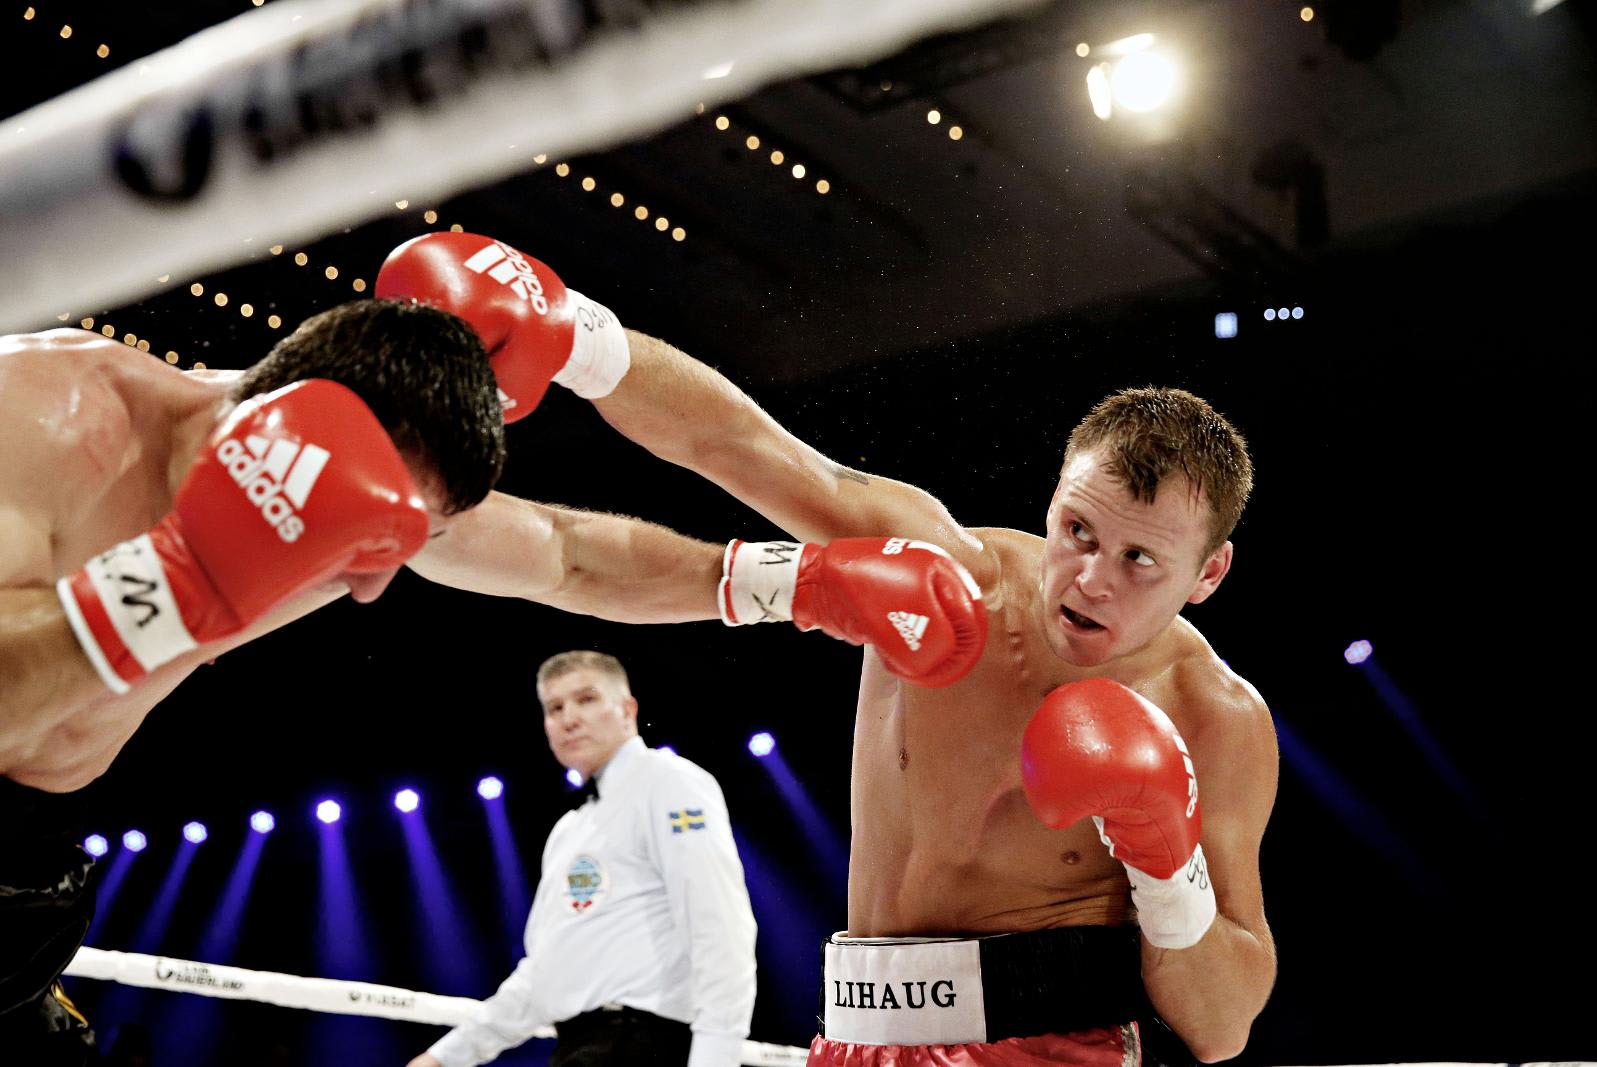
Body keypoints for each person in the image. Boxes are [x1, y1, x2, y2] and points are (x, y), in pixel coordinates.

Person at [0, 294, 984, 1063]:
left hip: (31, 879)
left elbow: (565, 554)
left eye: (399, 542)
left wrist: (798, 583)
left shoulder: (376, 486)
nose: (370, 582)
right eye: (366, 540)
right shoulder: (39, 418)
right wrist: (183, 579)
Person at [380, 232, 1278, 1067]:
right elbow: (738, 446)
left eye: (1139, 560)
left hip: (1049, 1049)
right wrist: (575, 333)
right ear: (1053, 498)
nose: (1091, 578)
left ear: (1208, 573)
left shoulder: (1212, 714)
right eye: (1078, 530)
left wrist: (1168, 862)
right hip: (850, 1036)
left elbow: (1222, 1025)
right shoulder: (947, 574)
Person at [405, 651, 757, 1067]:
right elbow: (542, 976)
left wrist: (716, 1056)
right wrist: (441, 1058)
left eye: (586, 699)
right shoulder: (570, 830)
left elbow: (718, 922)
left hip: (645, 1042)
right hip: (581, 1047)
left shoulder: (669, 782)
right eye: (555, 708)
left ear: (627, 710)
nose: (569, 718)